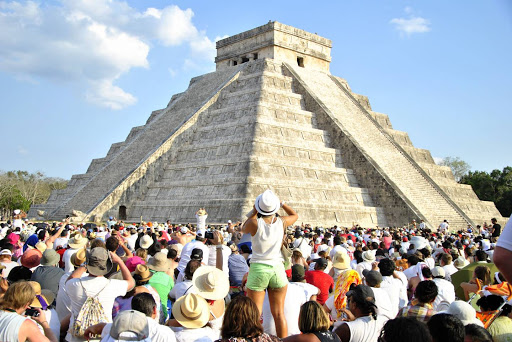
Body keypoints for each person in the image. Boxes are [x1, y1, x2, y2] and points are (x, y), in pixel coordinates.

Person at [242, 189, 298, 338]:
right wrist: (282, 204)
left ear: (259, 207)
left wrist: (254, 211)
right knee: (279, 313)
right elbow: (295, 215)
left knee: (254, 315)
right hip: (277, 269)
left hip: (258, 269)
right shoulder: (282, 222)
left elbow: (243, 227)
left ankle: (256, 340)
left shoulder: (254, 223)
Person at [65, 247, 135, 342]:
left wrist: (84, 265)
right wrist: (119, 261)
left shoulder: (74, 284)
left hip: (75, 338)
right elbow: (131, 282)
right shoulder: (112, 285)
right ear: (107, 265)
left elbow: (69, 280)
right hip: (102, 337)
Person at [85, 292, 176, 341]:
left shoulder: (119, 326)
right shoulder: (165, 333)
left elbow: (102, 327)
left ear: (133, 308)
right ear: (154, 310)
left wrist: (90, 329)